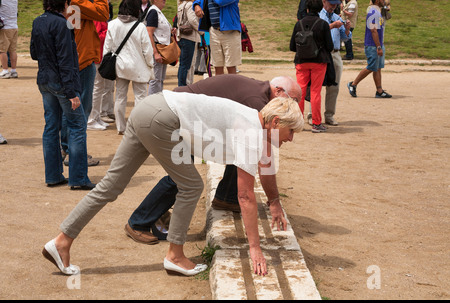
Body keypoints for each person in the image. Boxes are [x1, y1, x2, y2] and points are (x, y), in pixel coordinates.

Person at [42, 89, 303, 277]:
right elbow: (245, 196)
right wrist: (255, 249)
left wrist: (275, 201)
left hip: (150, 107)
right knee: (191, 186)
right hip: (163, 118)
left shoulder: (252, 121)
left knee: (110, 186)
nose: (291, 138)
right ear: (277, 122)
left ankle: (62, 241)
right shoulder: (251, 132)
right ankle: (175, 256)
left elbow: (265, 168)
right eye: (291, 131)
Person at [126, 75, 302, 243]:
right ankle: (138, 223)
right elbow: (266, 161)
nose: (292, 106)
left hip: (197, 119)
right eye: (292, 100)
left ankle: (226, 197)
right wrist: (274, 202)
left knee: (242, 153)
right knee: (180, 178)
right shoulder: (258, 103)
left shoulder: (263, 97)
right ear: (278, 91)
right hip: (180, 117)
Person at [30, 0, 95, 190]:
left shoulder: (37, 21)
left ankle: (53, 175)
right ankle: (78, 178)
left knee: (51, 126)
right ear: (64, 4)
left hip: (44, 79)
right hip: (62, 83)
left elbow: (34, 53)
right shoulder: (62, 24)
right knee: (77, 125)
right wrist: (72, 92)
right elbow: (66, 60)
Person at [61, 0, 109, 166]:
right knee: (81, 108)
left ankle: (67, 149)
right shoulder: (78, 2)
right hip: (82, 60)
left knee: (72, 108)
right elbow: (104, 13)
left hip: (76, 59)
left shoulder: (75, 3)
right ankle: (72, 151)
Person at [104, 0, 154, 135]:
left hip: (120, 66)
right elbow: (147, 51)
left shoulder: (112, 25)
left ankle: (121, 127)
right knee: (140, 98)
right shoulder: (140, 27)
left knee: (120, 97)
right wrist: (151, 65)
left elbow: (107, 48)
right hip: (139, 67)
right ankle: (137, 127)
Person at [290, 0, 333, 133]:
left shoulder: (299, 24)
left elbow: (292, 46)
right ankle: (316, 123)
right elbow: (330, 46)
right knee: (315, 92)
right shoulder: (323, 24)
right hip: (319, 62)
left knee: (300, 92)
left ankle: (298, 122)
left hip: (301, 61)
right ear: (320, 9)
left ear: (307, 8)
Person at [347, 0, 391, 98]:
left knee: (377, 68)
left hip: (378, 43)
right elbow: (373, 30)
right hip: (373, 45)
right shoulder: (373, 12)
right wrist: (378, 46)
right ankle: (353, 84)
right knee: (371, 67)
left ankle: (379, 91)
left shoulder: (378, 11)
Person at [319, 0, 351, 126]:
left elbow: (344, 37)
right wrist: (332, 25)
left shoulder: (337, 17)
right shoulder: (318, 16)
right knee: (316, 87)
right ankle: (312, 115)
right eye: (331, 3)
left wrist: (347, 30)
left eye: (336, 4)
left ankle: (329, 115)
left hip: (335, 53)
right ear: (324, 1)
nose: (334, 6)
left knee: (334, 87)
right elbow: (317, 32)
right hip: (322, 54)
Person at [193, 0, 242, 75]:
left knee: (231, 65)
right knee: (217, 65)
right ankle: (219, 86)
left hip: (230, 31)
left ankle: (232, 86)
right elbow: (198, 1)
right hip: (214, 31)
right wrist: (196, 5)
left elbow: (221, 2)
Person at [87, 20, 113, 131]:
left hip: (102, 55)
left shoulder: (101, 16)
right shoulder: (97, 18)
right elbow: (96, 36)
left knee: (100, 87)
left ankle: (96, 117)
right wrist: (110, 31)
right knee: (97, 88)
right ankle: (91, 119)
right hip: (98, 55)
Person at [146, 0, 172, 94]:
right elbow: (149, 32)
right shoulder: (153, 11)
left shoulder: (157, 11)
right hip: (157, 49)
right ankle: (152, 103)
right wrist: (155, 52)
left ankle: (157, 101)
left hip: (162, 49)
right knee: (155, 79)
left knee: (160, 79)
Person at [176, 1, 201, 87]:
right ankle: (186, 85)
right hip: (190, 37)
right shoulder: (190, 5)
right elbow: (192, 20)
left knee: (183, 64)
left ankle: (182, 85)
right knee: (189, 65)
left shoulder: (181, 5)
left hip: (182, 37)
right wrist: (201, 31)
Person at [0, 0, 18, 79]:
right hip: (14, 26)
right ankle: (13, 71)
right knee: (12, 50)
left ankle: (5, 71)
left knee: (2, 50)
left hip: (5, 27)